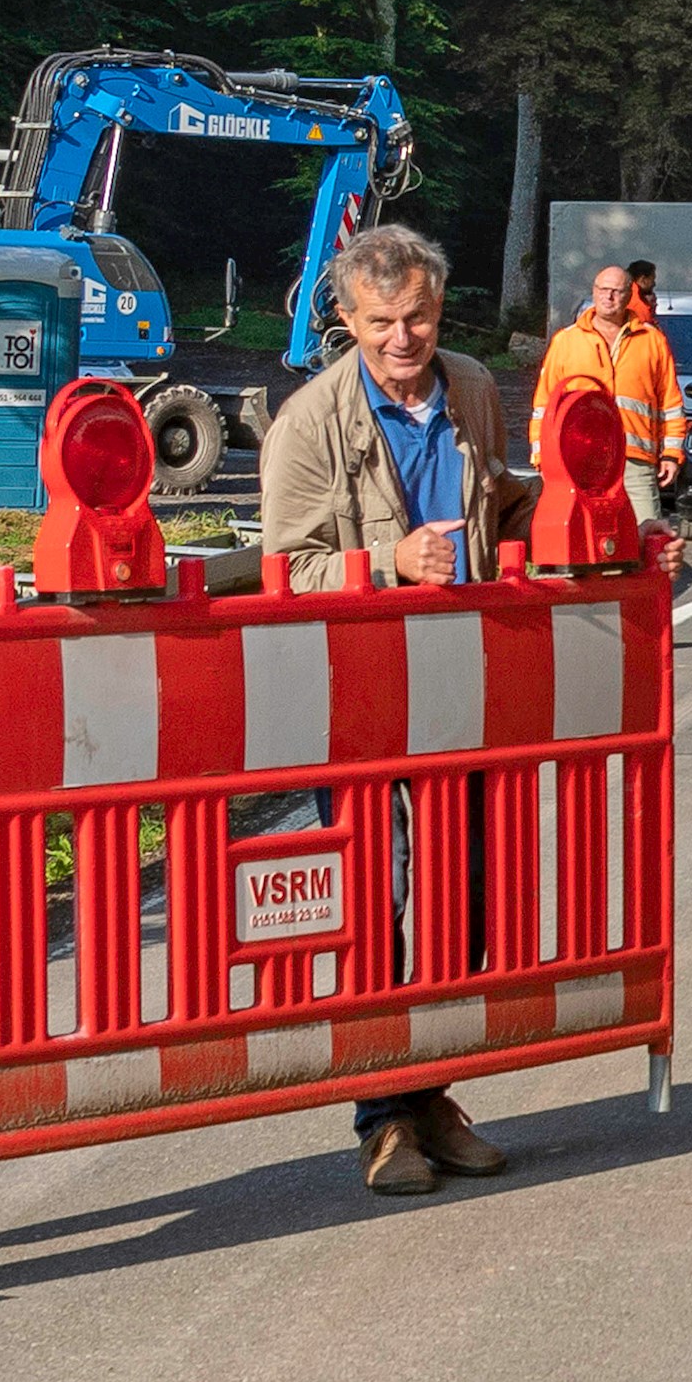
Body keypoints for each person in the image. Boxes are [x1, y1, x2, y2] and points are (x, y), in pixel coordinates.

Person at [257, 222, 540, 1196]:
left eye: (416, 316)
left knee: (466, 905)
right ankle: (384, 1119)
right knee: (374, 908)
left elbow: (498, 506)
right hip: (356, 696)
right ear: (345, 317)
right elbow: (282, 573)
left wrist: (599, 528)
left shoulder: (467, 388)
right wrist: (385, 562)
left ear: (438, 308)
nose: (401, 338)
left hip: (458, 686)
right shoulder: (307, 423)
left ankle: (429, 1097)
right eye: (380, 321)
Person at [536, 260, 684, 522]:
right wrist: (541, 455)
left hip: (635, 460)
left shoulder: (652, 341)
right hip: (579, 460)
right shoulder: (566, 341)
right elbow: (544, 406)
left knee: (647, 538)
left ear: (630, 295)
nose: (609, 296)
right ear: (594, 292)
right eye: (603, 289)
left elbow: (670, 405)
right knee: (584, 541)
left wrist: (671, 454)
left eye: (617, 291)